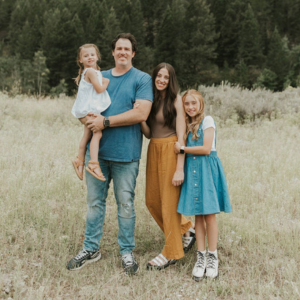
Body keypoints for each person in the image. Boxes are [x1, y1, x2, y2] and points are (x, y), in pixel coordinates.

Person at [67, 33, 153, 275]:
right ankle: (91, 249)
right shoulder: (98, 75)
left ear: (133, 53)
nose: (123, 52)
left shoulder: (142, 79)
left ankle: (126, 251)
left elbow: (141, 114)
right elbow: (84, 107)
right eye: (119, 48)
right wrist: (89, 121)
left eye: (127, 49)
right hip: (99, 156)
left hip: (127, 155)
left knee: (125, 204)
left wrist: (105, 122)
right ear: (113, 53)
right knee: (94, 204)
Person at [139, 63, 195, 270]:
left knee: (169, 204)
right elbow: (148, 132)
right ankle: (187, 230)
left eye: (166, 77)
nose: (161, 80)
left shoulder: (176, 100)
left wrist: (180, 168)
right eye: (158, 76)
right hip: (154, 148)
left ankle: (171, 252)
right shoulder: (150, 100)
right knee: (152, 200)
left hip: (172, 150)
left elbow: (182, 137)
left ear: (171, 80)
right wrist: (139, 117)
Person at [174, 89, 232, 281]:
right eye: (187, 104)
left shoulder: (207, 121)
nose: (190, 107)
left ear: (201, 104)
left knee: (209, 215)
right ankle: (200, 256)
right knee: (198, 215)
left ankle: (212, 256)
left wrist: (182, 148)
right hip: (193, 169)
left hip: (207, 169)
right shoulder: (187, 124)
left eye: (193, 103)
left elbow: (206, 148)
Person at [71, 44, 111, 182]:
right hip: (87, 111)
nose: (90, 57)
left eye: (92, 55)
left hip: (83, 110)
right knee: (97, 133)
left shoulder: (90, 72)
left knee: (87, 134)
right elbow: (100, 89)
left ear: (97, 57)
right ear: (80, 60)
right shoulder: (90, 72)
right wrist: (106, 82)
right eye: (86, 55)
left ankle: (79, 160)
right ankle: (93, 163)